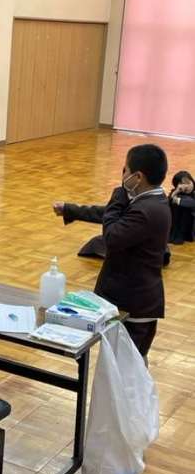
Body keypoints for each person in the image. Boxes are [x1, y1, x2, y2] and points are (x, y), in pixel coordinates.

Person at [94, 144, 171, 362]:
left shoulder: (146, 210)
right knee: (126, 364)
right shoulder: (151, 201)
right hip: (136, 299)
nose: (123, 175)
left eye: (125, 170)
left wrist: (118, 194)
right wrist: (71, 210)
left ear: (138, 177)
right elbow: (113, 215)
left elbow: (112, 237)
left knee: (127, 367)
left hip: (134, 305)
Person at [53, 201, 171, 266]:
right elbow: (104, 213)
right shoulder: (154, 200)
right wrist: (69, 209)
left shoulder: (143, 206)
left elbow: (105, 214)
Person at [169, 170, 195, 245]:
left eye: (188, 183)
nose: (187, 186)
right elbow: (167, 204)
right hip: (181, 228)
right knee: (176, 205)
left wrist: (177, 200)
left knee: (184, 204)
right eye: (181, 184)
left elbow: (192, 204)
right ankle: (177, 234)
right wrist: (175, 193)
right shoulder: (177, 193)